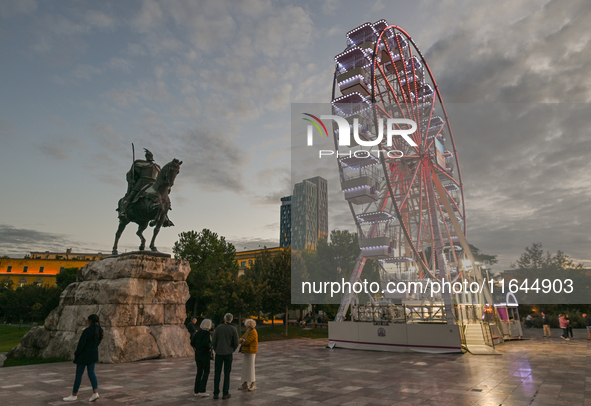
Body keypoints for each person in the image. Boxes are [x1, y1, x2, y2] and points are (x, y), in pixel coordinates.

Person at [63, 314, 103, 402]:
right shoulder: (99, 330)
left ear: (90, 321)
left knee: (79, 374)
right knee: (91, 373)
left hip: (84, 355)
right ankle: (95, 392)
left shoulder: (87, 331)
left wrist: (77, 353)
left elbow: (81, 344)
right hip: (93, 354)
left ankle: (74, 394)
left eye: (88, 320)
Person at [119, 148, 161, 220]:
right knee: (131, 196)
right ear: (146, 156)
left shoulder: (157, 167)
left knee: (162, 199)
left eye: (150, 155)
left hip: (153, 185)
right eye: (148, 155)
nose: (149, 157)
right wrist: (131, 180)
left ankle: (164, 217)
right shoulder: (139, 163)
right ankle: (123, 211)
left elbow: (160, 178)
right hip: (142, 183)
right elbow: (130, 174)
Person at [212, 313, 239, 399]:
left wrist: (216, 349)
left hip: (219, 353)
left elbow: (213, 341)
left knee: (217, 373)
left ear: (224, 319)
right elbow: (236, 342)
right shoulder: (233, 329)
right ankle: (225, 393)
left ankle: (216, 393)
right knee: (227, 374)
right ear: (231, 319)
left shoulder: (219, 328)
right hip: (228, 353)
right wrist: (232, 349)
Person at [191, 319, 213, 397]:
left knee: (199, 372)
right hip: (205, 354)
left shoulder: (198, 332)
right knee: (206, 371)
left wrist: (197, 347)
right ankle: (202, 390)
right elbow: (206, 344)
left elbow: (192, 342)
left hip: (198, 354)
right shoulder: (207, 333)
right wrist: (209, 347)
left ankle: (196, 390)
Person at [238, 319, 258, 392]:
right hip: (247, 352)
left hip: (251, 352)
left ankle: (253, 384)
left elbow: (247, 342)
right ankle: (245, 383)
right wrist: (242, 340)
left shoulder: (253, 332)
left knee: (250, 368)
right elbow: (241, 339)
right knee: (245, 367)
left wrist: (243, 341)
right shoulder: (248, 331)